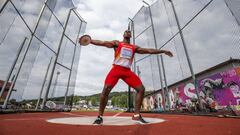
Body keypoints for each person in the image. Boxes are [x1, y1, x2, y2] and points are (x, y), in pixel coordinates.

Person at [80, 30, 173, 124]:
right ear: (123, 34)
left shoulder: (134, 47)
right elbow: (103, 43)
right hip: (116, 69)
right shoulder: (117, 43)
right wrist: (90, 41)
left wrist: (163, 51)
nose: (127, 32)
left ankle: (136, 115)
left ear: (131, 35)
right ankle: (100, 116)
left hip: (127, 71)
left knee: (141, 89)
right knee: (106, 89)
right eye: (126, 31)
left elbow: (148, 50)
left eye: (129, 32)